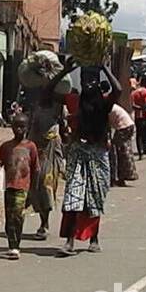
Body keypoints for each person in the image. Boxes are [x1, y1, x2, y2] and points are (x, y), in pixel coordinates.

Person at [58, 67, 120, 256]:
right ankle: (69, 241)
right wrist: (66, 71)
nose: (89, 83)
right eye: (85, 80)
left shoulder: (104, 103)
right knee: (73, 195)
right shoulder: (76, 102)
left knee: (95, 196)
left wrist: (105, 68)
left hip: (99, 153)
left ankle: (94, 238)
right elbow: (52, 91)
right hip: (78, 152)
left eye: (93, 80)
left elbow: (118, 90)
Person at [25, 70, 68, 239]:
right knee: (34, 185)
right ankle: (38, 216)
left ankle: (45, 222)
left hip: (51, 148)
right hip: (35, 147)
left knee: (46, 184)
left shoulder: (58, 105)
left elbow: (64, 127)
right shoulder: (36, 104)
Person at [0, 113, 39, 259]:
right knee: (9, 217)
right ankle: (11, 243)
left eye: (22, 126)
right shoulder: (6, 146)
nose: (19, 129)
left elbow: (35, 169)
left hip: (23, 187)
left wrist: (33, 190)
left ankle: (15, 246)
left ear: (27, 128)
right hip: (9, 187)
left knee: (18, 216)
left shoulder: (31, 147)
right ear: (12, 128)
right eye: (16, 126)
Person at [108, 99, 138, 187]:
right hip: (128, 125)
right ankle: (123, 176)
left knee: (117, 152)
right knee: (124, 152)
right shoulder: (111, 105)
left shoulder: (107, 107)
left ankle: (117, 177)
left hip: (124, 127)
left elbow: (106, 127)